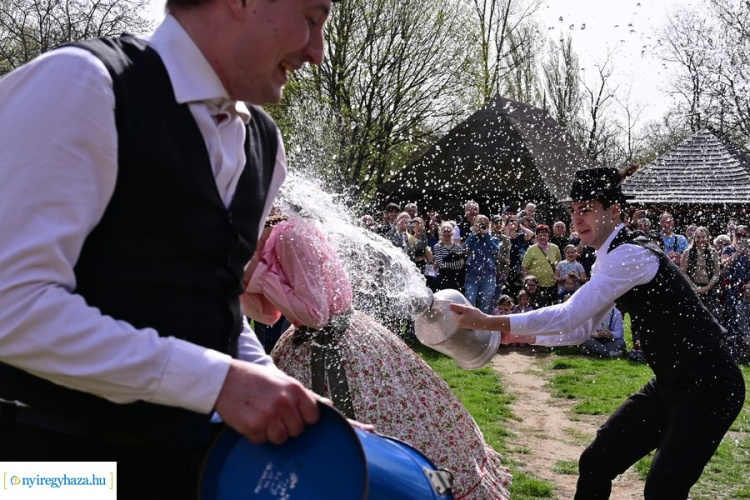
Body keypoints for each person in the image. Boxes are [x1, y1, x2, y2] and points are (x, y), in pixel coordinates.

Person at [0, 0, 341, 496]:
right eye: (311, 20)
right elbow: (11, 305)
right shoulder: (83, 84)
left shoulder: (265, 143)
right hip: (46, 471)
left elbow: (210, 310)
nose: (317, 51)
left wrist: (275, 391)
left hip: (185, 470)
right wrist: (221, 383)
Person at [450, 166, 745, 499]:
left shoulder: (631, 254)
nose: (577, 219)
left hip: (710, 386)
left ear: (614, 210)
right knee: (596, 462)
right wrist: (524, 336)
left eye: (587, 209)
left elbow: (568, 315)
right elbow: (581, 330)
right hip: (670, 383)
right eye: (573, 210)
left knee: (664, 490)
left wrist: (489, 321)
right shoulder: (609, 257)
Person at [242, 213, 512, 500]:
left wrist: (260, 277)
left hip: (337, 348)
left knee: (381, 431)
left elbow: (315, 315)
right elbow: (270, 316)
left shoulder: (288, 235)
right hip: (313, 343)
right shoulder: (270, 235)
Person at [464, 214, 500, 313]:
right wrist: (474, 234)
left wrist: (486, 235)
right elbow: (465, 249)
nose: (482, 226)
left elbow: (495, 250)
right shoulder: (472, 238)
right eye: (480, 224)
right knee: (469, 303)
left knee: (484, 307)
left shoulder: (493, 239)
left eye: (485, 224)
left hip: (488, 277)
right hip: (472, 277)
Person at [522, 224, 562, 305]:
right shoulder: (531, 249)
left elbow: (559, 265)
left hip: (552, 285)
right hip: (536, 286)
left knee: (552, 306)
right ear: (536, 236)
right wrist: (527, 282)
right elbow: (524, 267)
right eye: (540, 235)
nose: (542, 237)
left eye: (545, 235)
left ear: (548, 236)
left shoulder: (555, 248)